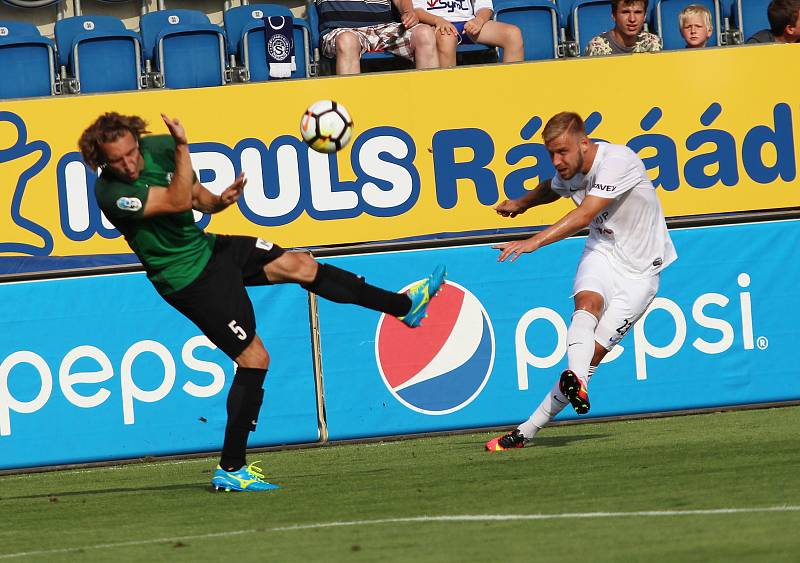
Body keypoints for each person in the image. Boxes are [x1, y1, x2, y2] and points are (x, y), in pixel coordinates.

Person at [78, 112, 446, 490]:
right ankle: (231, 468)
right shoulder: (111, 192)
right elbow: (174, 202)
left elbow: (196, 200)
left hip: (209, 249)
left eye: (131, 152)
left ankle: (404, 307)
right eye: (117, 160)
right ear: (103, 160)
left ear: (137, 142)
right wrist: (184, 145)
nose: (129, 163)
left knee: (301, 265)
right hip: (187, 279)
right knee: (255, 358)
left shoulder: (158, 148)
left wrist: (220, 200)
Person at [485, 111, 677, 452]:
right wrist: (522, 204)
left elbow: (585, 214)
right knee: (586, 305)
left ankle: (527, 430)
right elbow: (552, 188)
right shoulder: (571, 171)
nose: (557, 161)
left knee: (589, 360)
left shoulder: (618, 161)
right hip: (603, 249)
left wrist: (533, 241)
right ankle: (573, 387)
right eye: (551, 154)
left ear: (584, 144)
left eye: (562, 152)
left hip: (641, 273)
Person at [315, 0, 439, 75]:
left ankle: (428, 105)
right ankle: (350, 111)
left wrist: (408, 11)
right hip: (341, 30)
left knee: (424, 33)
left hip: (385, 27)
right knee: (347, 41)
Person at [411, 0, 523, 68]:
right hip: (437, 22)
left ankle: (512, 92)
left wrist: (479, 20)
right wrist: (438, 21)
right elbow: (415, 9)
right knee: (447, 38)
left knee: (512, 34)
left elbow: (484, 5)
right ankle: (447, 96)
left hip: (468, 23)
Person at [584, 0, 661, 56]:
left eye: (638, 12)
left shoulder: (653, 43)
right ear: (614, 15)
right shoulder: (597, 48)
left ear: (645, 16)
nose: (632, 19)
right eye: (625, 12)